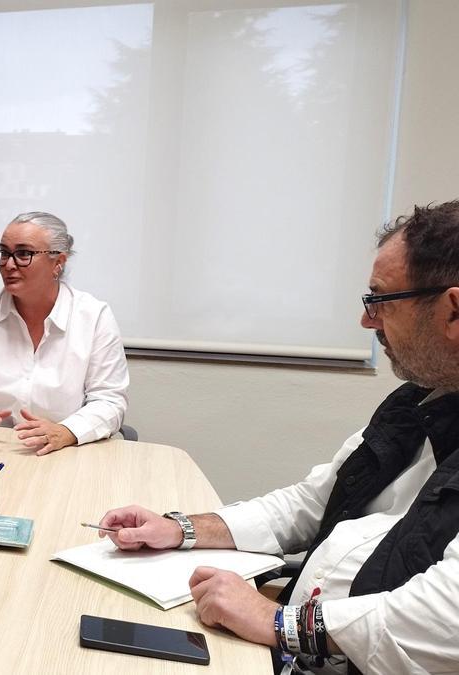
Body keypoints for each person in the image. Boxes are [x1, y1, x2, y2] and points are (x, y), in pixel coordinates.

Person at [97, 201, 459, 674]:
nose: (367, 323)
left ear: (452, 312)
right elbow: (310, 503)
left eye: (380, 300)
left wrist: (278, 622)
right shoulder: (416, 403)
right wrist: (181, 529)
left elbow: (444, 622)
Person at [0, 211, 129, 454]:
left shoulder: (94, 317)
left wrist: (67, 432)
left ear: (58, 262)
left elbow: (110, 400)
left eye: (23, 254)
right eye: (5, 253)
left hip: (65, 450)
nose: (8, 264)